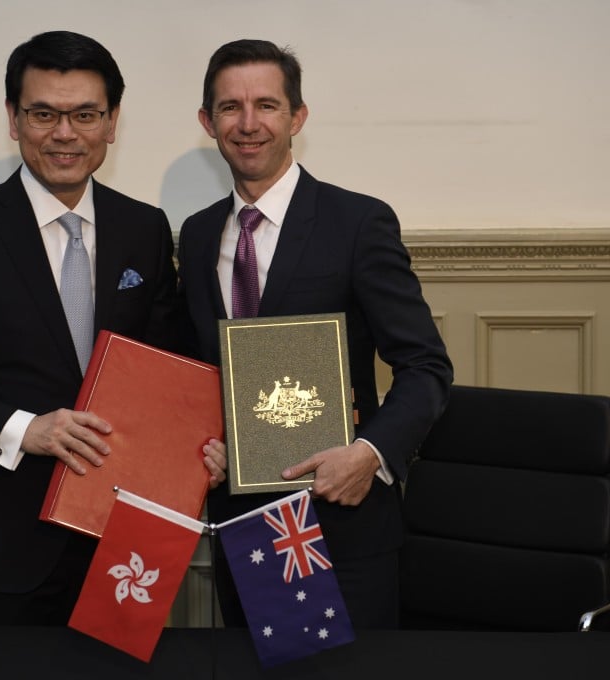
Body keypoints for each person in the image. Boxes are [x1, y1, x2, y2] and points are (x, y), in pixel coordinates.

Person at [0, 30, 225, 625]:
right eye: (44, 113)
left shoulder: (144, 227)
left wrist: (211, 439)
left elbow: (173, 366)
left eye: (85, 114)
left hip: (128, 545)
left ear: (112, 122)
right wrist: (23, 429)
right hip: (4, 546)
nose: (65, 134)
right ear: (14, 119)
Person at [177, 39, 453, 629]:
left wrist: (370, 455)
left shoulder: (357, 222)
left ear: (297, 117)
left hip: (340, 520)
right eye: (230, 108)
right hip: (242, 524)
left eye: (267, 106)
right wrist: (208, 439)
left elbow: (426, 367)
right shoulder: (197, 236)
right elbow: (202, 368)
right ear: (208, 122)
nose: (248, 124)